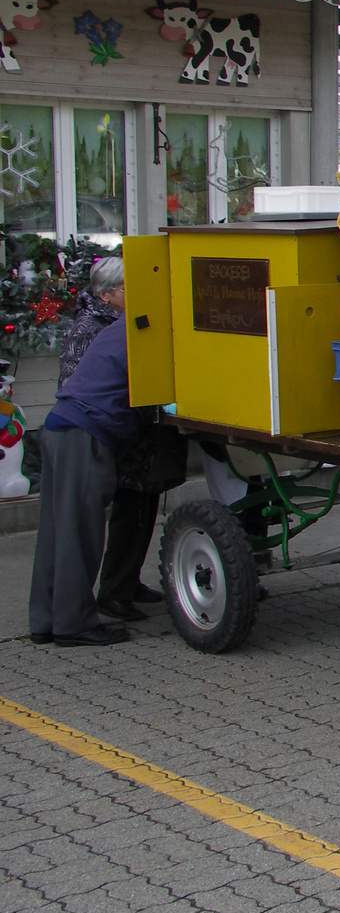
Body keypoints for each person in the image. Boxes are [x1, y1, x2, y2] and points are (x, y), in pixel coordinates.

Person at [57, 257, 187, 621]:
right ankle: (112, 592)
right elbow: (79, 383)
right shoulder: (89, 328)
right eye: (129, 289)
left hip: (142, 439)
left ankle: (127, 583)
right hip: (117, 438)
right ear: (106, 294)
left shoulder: (126, 320)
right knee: (127, 515)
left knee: (143, 513)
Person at [29, 318, 141, 646]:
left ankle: (46, 620)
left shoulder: (120, 326)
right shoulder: (148, 331)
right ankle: (74, 624)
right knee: (80, 533)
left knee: (55, 531)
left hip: (60, 424)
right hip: (85, 434)